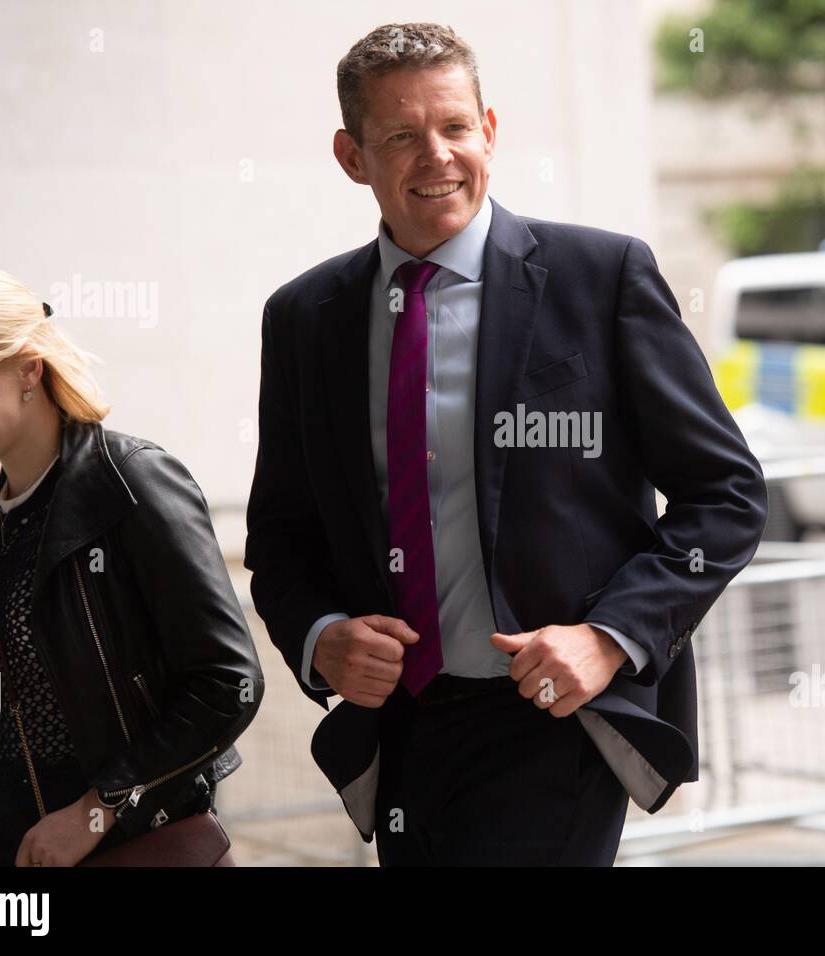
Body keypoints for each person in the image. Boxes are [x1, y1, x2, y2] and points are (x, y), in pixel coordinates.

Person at [244, 21, 768, 866]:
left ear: (490, 130)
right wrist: (321, 636)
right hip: (401, 726)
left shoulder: (602, 278)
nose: (437, 156)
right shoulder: (305, 317)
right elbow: (281, 533)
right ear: (351, 156)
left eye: (455, 127)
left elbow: (728, 495)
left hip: (554, 714)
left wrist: (610, 636)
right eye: (402, 137)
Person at [0, 267, 264, 866]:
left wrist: (99, 809)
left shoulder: (129, 480)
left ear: (27, 369)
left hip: (136, 846)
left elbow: (229, 682)